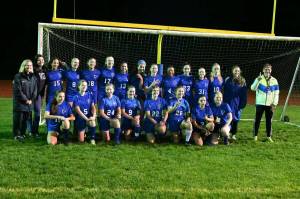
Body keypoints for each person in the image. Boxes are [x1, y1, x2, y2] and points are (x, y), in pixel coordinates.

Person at [251, 63, 279, 142]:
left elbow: (276, 93)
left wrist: (274, 104)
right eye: (266, 69)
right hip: (260, 103)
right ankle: (255, 136)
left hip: (270, 104)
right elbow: (252, 88)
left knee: (269, 121)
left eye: (269, 69)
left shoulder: (274, 80)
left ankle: (268, 136)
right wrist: (257, 80)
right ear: (263, 70)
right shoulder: (259, 78)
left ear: (271, 70)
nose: (267, 70)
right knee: (257, 120)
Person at [12, 59, 37, 142]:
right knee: (18, 120)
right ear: (23, 66)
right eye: (27, 65)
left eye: (30, 65)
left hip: (29, 104)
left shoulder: (33, 77)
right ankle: (17, 135)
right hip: (20, 103)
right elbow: (18, 91)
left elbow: (35, 90)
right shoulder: (18, 76)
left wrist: (31, 100)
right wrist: (26, 100)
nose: (29, 67)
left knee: (25, 120)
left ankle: (22, 133)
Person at [223, 65, 247, 140]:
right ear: (232, 71)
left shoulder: (243, 80)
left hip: (237, 102)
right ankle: (227, 132)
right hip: (228, 101)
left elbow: (244, 93)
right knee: (228, 117)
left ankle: (233, 134)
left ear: (240, 72)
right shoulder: (227, 79)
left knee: (236, 118)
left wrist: (242, 104)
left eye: (238, 71)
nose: (236, 72)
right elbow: (223, 89)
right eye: (235, 70)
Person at [73, 80, 97, 144]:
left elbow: (93, 107)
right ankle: (83, 132)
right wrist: (86, 119)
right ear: (79, 86)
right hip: (80, 118)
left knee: (92, 122)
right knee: (81, 140)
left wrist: (94, 116)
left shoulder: (89, 94)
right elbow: (78, 110)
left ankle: (92, 138)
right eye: (82, 85)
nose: (84, 86)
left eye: (85, 85)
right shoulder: (76, 97)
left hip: (88, 116)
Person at [31, 54, 47, 137]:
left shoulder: (44, 70)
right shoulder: (33, 70)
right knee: (33, 113)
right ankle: (33, 131)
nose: (41, 62)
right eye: (39, 60)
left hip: (40, 96)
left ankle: (33, 131)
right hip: (32, 95)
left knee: (37, 113)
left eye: (42, 60)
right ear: (36, 61)